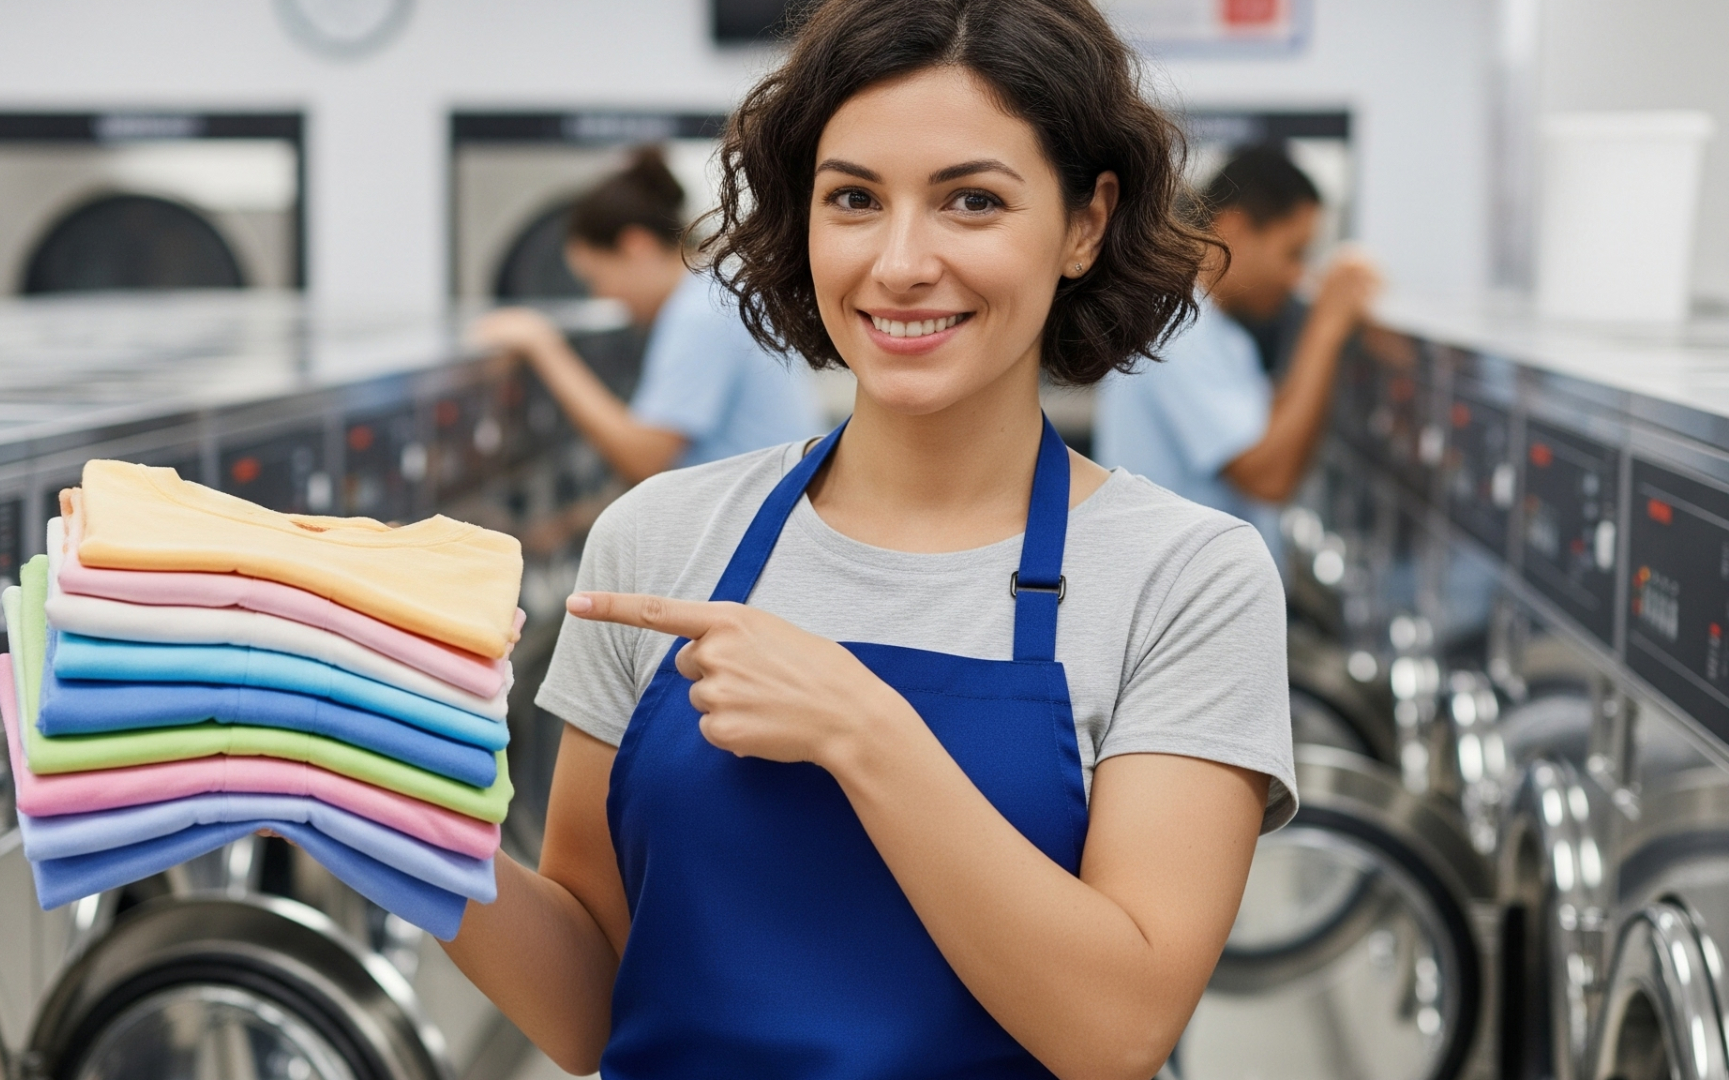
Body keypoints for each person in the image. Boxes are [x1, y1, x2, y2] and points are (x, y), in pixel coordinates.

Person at [442, 1, 1296, 1076]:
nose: (899, 264)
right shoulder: (662, 537)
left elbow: (1117, 1031)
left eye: (971, 202)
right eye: (853, 199)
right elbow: (590, 1005)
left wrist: (862, 731)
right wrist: (398, 825)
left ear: (1085, 223)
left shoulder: (1188, 579)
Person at [472, 147, 821, 483]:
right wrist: (570, 523)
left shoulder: (702, 313)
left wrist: (544, 345)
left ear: (636, 246)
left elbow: (645, 459)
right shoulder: (715, 289)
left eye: (597, 278)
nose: (601, 296)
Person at [1094, 144, 1383, 549]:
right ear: (1235, 229)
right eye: (1293, 253)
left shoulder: (1214, 329)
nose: (1297, 277)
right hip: (1183, 603)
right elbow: (1268, 476)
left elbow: (1265, 430)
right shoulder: (1175, 329)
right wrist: (1326, 328)